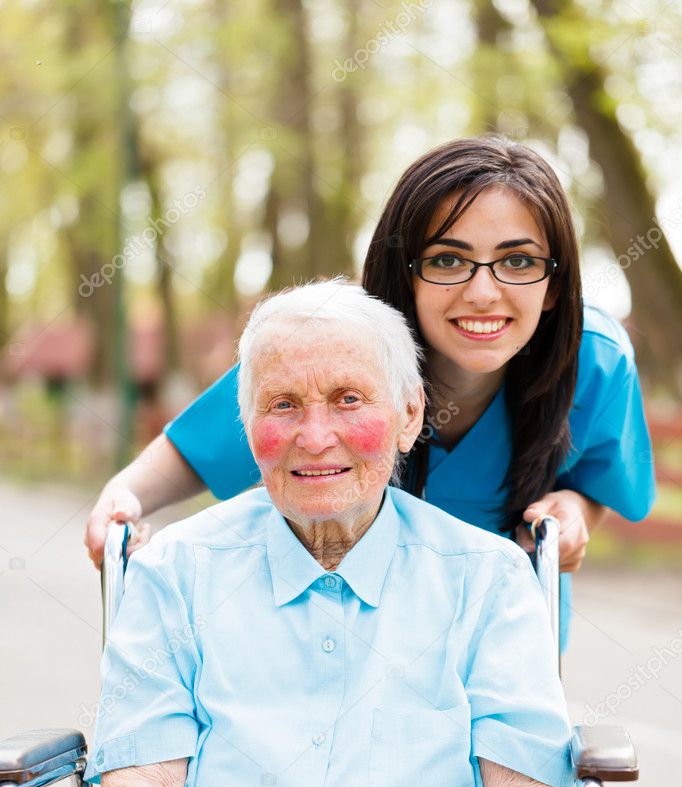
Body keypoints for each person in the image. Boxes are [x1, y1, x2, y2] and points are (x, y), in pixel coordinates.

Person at [66, 282, 578, 787]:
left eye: (347, 399)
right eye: (283, 405)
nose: (315, 435)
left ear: (408, 418)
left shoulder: (488, 576)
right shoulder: (175, 570)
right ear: (246, 427)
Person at [84, 136, 655, 650]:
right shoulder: (340, 346)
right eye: (448, 260)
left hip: (499, 639)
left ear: (554, 284)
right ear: (405, 272)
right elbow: (206, 444)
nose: (484, 291)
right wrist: (121, 499)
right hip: (345, 629)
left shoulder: (597, 361)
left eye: (518, 260)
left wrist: (575, 512)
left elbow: (598, 484)